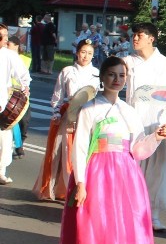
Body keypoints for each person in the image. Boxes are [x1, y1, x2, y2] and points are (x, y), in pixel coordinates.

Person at [55, 56, 166, 244]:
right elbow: (80, 148)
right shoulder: (90, 109)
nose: (117, 80)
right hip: (96, 174)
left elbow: (137, 150)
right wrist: (81, 183)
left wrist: (155, 137)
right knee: (97, 236)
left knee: (125, 237)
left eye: (122, 75)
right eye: (112, 75)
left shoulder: (129, 112)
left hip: (126, 177)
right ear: (102, 77)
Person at [123, 22, 166, 232]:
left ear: (151, 38)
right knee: (132, 166)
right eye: (133, 35)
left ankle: (153, 214)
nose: (135, 39)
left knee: (158, 167)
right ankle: (129, 211)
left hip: (157, 121)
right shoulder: (127, 61)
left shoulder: (165, 63)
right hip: (133, 119)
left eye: (139, 35)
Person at [33, 39, 100, 201]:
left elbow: (99, 98)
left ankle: (80, 190)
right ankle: (60, 188)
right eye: (83, 52)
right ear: (77, 52)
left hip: (88, 116)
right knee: (64, 152)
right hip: (68, 115)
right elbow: (57, 95)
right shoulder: (67, 71)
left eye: (89, 53)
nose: (86, 56)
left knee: (84, 153)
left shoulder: (97, 74)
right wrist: (56, 113)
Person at [0, 24, 31, 184]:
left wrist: (25, 86)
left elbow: (23, 74)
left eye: (6, 35)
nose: (6, 39)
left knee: (5, 139)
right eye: (3, 36)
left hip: (3, 102)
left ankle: (1, 171)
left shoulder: (9, 55)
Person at [6, 36, 32, 160]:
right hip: (7, 96)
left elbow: (24, 76)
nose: (6, 46)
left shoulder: (24, 60)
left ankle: (20, 142)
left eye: (9, 44)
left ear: (16, 46)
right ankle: (17, 146)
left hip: (21, 96)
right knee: (11, 123)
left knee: (24, 121)